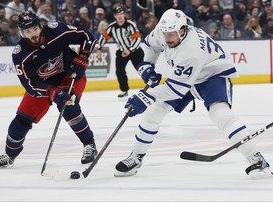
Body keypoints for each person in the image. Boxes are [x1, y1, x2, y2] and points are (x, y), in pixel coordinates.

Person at [114, 9, 271, 179]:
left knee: (221, 114)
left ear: (183, 30)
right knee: (154, 112)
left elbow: (176, 88)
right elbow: (149, 46)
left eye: (172, 34)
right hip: (185, 78)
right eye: (165, 33)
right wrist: (146, 67)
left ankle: (256, 158)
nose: (167, 38)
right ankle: (136, 157)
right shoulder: (164, 30)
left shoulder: (192, 50)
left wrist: (145, 96)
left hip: (212, 76)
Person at [0, 10, 98, 169]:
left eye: (34, 29)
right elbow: (30, 84)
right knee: (21, 121)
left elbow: (87, 35)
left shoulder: (56, 30)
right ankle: (10, 155)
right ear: (21, 32)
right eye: (27, 31)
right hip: (44, 87)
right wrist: (52, 91)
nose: (32, 34)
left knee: (69, 106)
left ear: (40, 26)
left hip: (69, 75)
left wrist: (83, 56)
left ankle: (89, 145)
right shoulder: (20, 53)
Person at [96, 6, 144, 98]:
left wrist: (130, 50)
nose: (120, 16)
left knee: (142, 69)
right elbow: (104, 37)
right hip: (122, 52)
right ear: (114, 16)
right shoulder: (112, 27)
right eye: (118, 14)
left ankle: (152, 84)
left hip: (135, 51)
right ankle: (124, 90)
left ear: (124, 14)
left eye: (121, 14)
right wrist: (99, 49)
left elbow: (137, 39)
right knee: (119, 71)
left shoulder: (131, 25)